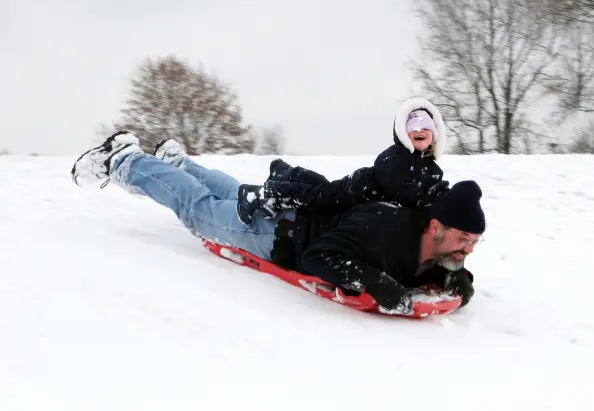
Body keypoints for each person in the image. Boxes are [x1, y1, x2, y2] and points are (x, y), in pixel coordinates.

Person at [70, 132, 485, 314]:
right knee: (196, 209)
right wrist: (370, 279)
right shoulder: (384, 231)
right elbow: (320, 257)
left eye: (473, 243)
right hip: (271, 234)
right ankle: (124, 160)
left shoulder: (431, 242)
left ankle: (178, 163)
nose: (466, 249)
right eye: (464, 239)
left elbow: (443, 260)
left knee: (228, 194)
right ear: (435, 227)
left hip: (285, 213)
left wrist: (456, 276)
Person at [234, 97, 449, 224]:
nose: (419, 130)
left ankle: (284, 171)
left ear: (434, 135)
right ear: (403, 132)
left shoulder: (434, 171)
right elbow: (396, 187)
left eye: (425, 127)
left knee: (320, 186)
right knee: (313, 198)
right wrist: (424, 197)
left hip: (364, 205)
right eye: (413, 127)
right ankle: (261, 194)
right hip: (354, 192)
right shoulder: (394, 155)